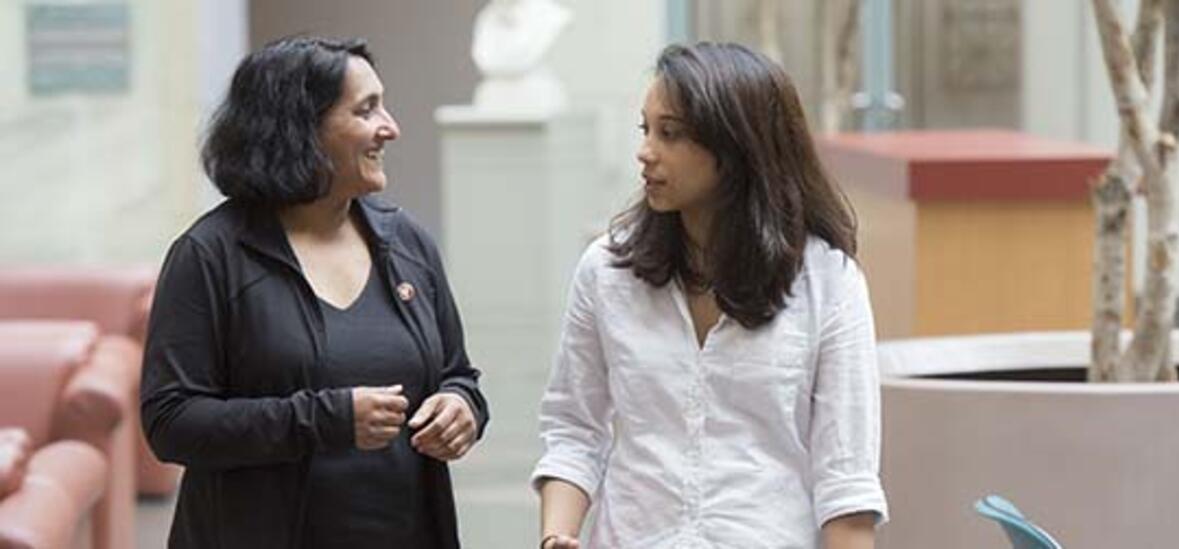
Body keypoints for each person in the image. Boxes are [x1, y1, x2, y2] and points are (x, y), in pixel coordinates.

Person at [532, 42, 888, 549]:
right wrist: (556, 535)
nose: (645, 150)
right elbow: (573, 431)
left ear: (736, 147)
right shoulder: (606, 271)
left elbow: (846, 483)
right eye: (646, 129)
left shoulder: (828, 282)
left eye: (670, 133)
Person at [141, 36, 489, 549]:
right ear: (300, 130)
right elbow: (171, 422)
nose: (390, 127)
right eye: (366, 110)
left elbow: (458, 373)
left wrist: (462, 406)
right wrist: (324, 419)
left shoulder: (406, 241)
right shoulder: (209, 255)